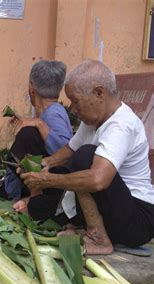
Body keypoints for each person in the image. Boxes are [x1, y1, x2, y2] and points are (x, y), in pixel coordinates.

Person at [19, 60, 154, 255]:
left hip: (137, 218)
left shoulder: (121, 125)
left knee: (86, 156)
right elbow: (68, 151)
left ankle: (97, 238)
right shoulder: (93, 120)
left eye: (76, 101)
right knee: (46, 198)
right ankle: (79, 225)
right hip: (110, 208)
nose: (73, 109)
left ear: (99, 93)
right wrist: (40, 166)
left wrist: (48, 180)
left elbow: (98, 179)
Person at [0, 60, 73, 199]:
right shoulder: (50, 111)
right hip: (23, 181)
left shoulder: (53, 114)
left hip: (39, 186)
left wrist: (39, 124)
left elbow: (65, 152)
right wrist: (27, 120)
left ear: (31, 87)